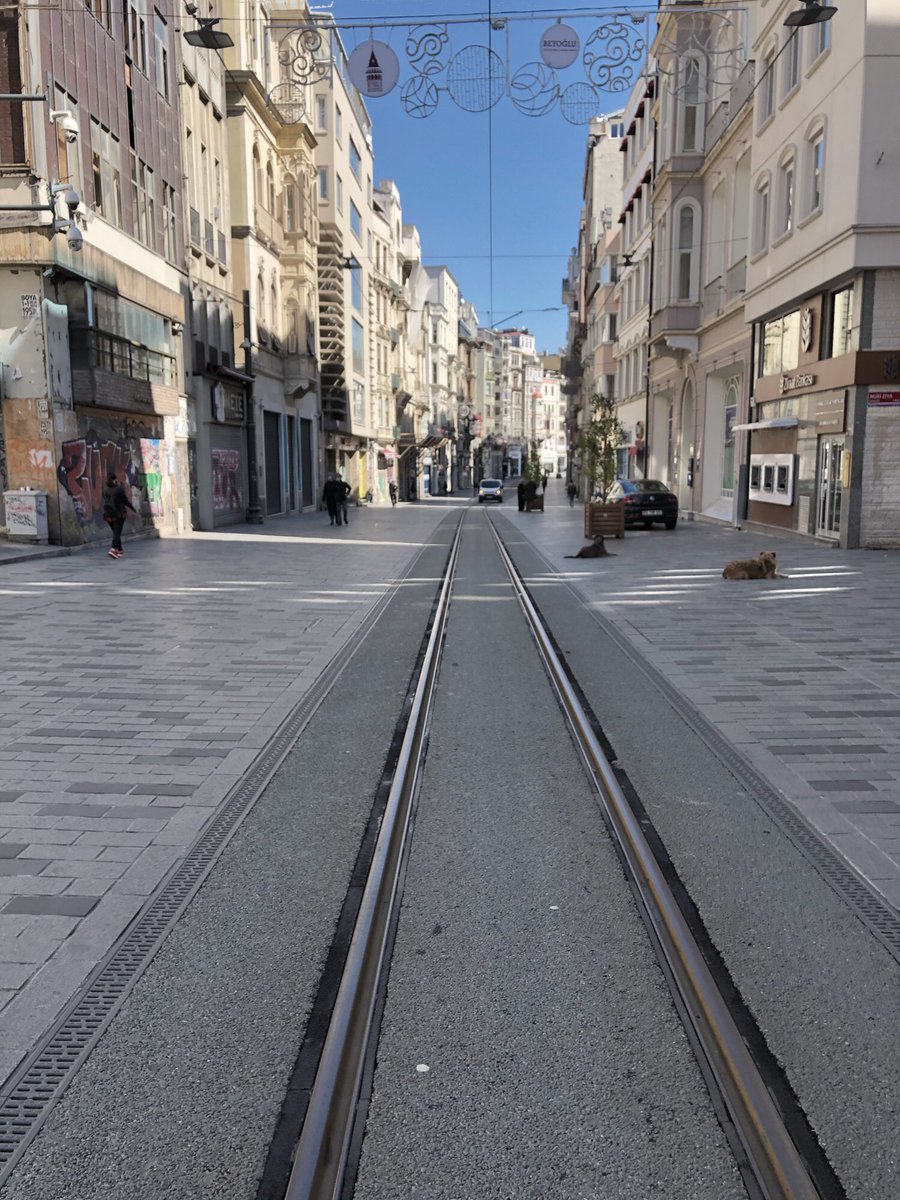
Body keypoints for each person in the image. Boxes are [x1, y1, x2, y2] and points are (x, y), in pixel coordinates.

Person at [101, 470, 136, 559]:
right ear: (114, 480)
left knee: (116, 532)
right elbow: (125, 500)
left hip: (108, 515)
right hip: (119, 514)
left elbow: (104, 499)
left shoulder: (105, 489)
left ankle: (119, 550)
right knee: (117, 533)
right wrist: (132, 508)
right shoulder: (119, 489)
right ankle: (113, 549)